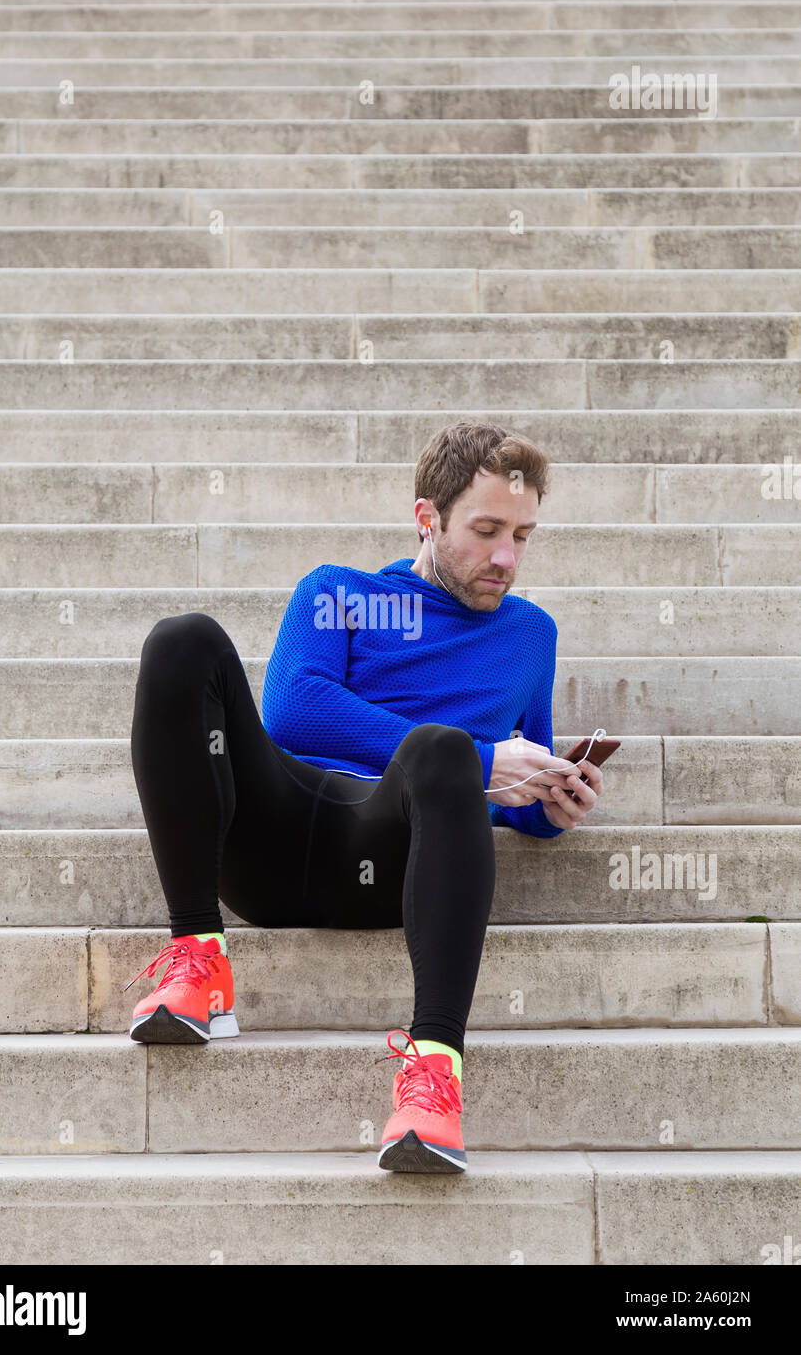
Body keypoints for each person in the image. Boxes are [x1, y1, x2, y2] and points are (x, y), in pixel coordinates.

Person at [125, 421, 604, 1173]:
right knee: (183, 640)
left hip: (397, 854)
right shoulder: (340, 594)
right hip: (274, 836)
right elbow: (294, 711)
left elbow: (513, 776)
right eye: (484, 530)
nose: (506, 558)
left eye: (522, 534)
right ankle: (198, 955)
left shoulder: (530, 634)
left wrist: (546, 805)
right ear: (427, 518)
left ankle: (434, 1072)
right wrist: (485, 761)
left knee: (443, 749)